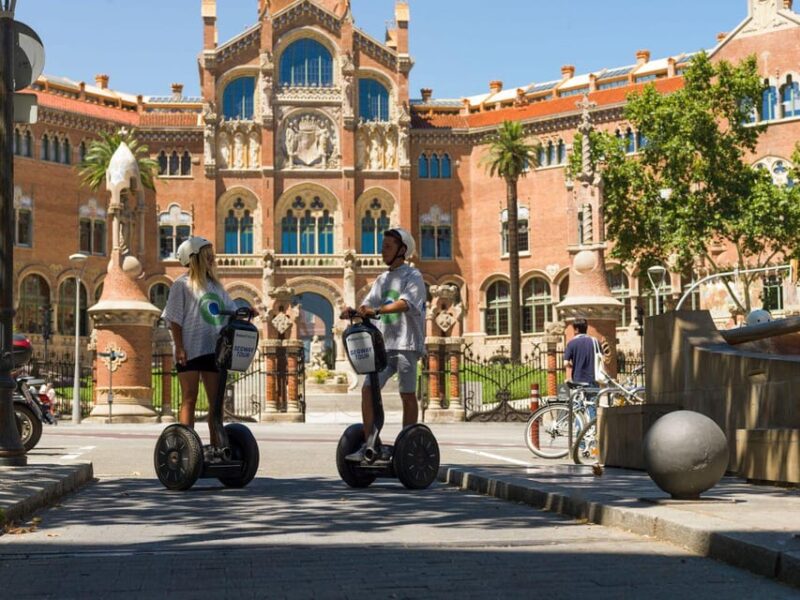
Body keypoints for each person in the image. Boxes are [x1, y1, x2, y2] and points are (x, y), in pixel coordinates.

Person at [339, 227, 426, 462]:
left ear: (402, 250)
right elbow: (368, 306)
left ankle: (408, 443)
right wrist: (354, 312)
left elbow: (406, 303)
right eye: (383, 246)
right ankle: (370, 444)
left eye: (387, 247)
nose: (382, 251)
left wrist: (376, 310)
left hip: (407, 344)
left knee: (407, 395)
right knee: (368, 389)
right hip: (383, 347)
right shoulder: (382, 279)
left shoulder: (413, 276)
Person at [162, 236, 234, 440]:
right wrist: (180, 347)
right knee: (190, 397)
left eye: (212, 254)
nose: (212, 258)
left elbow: (231, 310)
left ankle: (217, 446)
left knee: (215, 402)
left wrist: (247, 311)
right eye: (207, 254)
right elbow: (174, 319)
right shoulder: (181, 285)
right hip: (190, 350)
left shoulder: (216, 287)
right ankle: (188, 446)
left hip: (214, 350)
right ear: (195, 257)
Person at [564, 318, 597, 386]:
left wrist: (574, 366)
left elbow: (566, 363)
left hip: (578, 379)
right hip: (593, 378)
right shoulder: (594, 341)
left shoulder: (571, 343)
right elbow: (602, 358)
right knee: (593, 395)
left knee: (579, 396)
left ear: (576, 330)